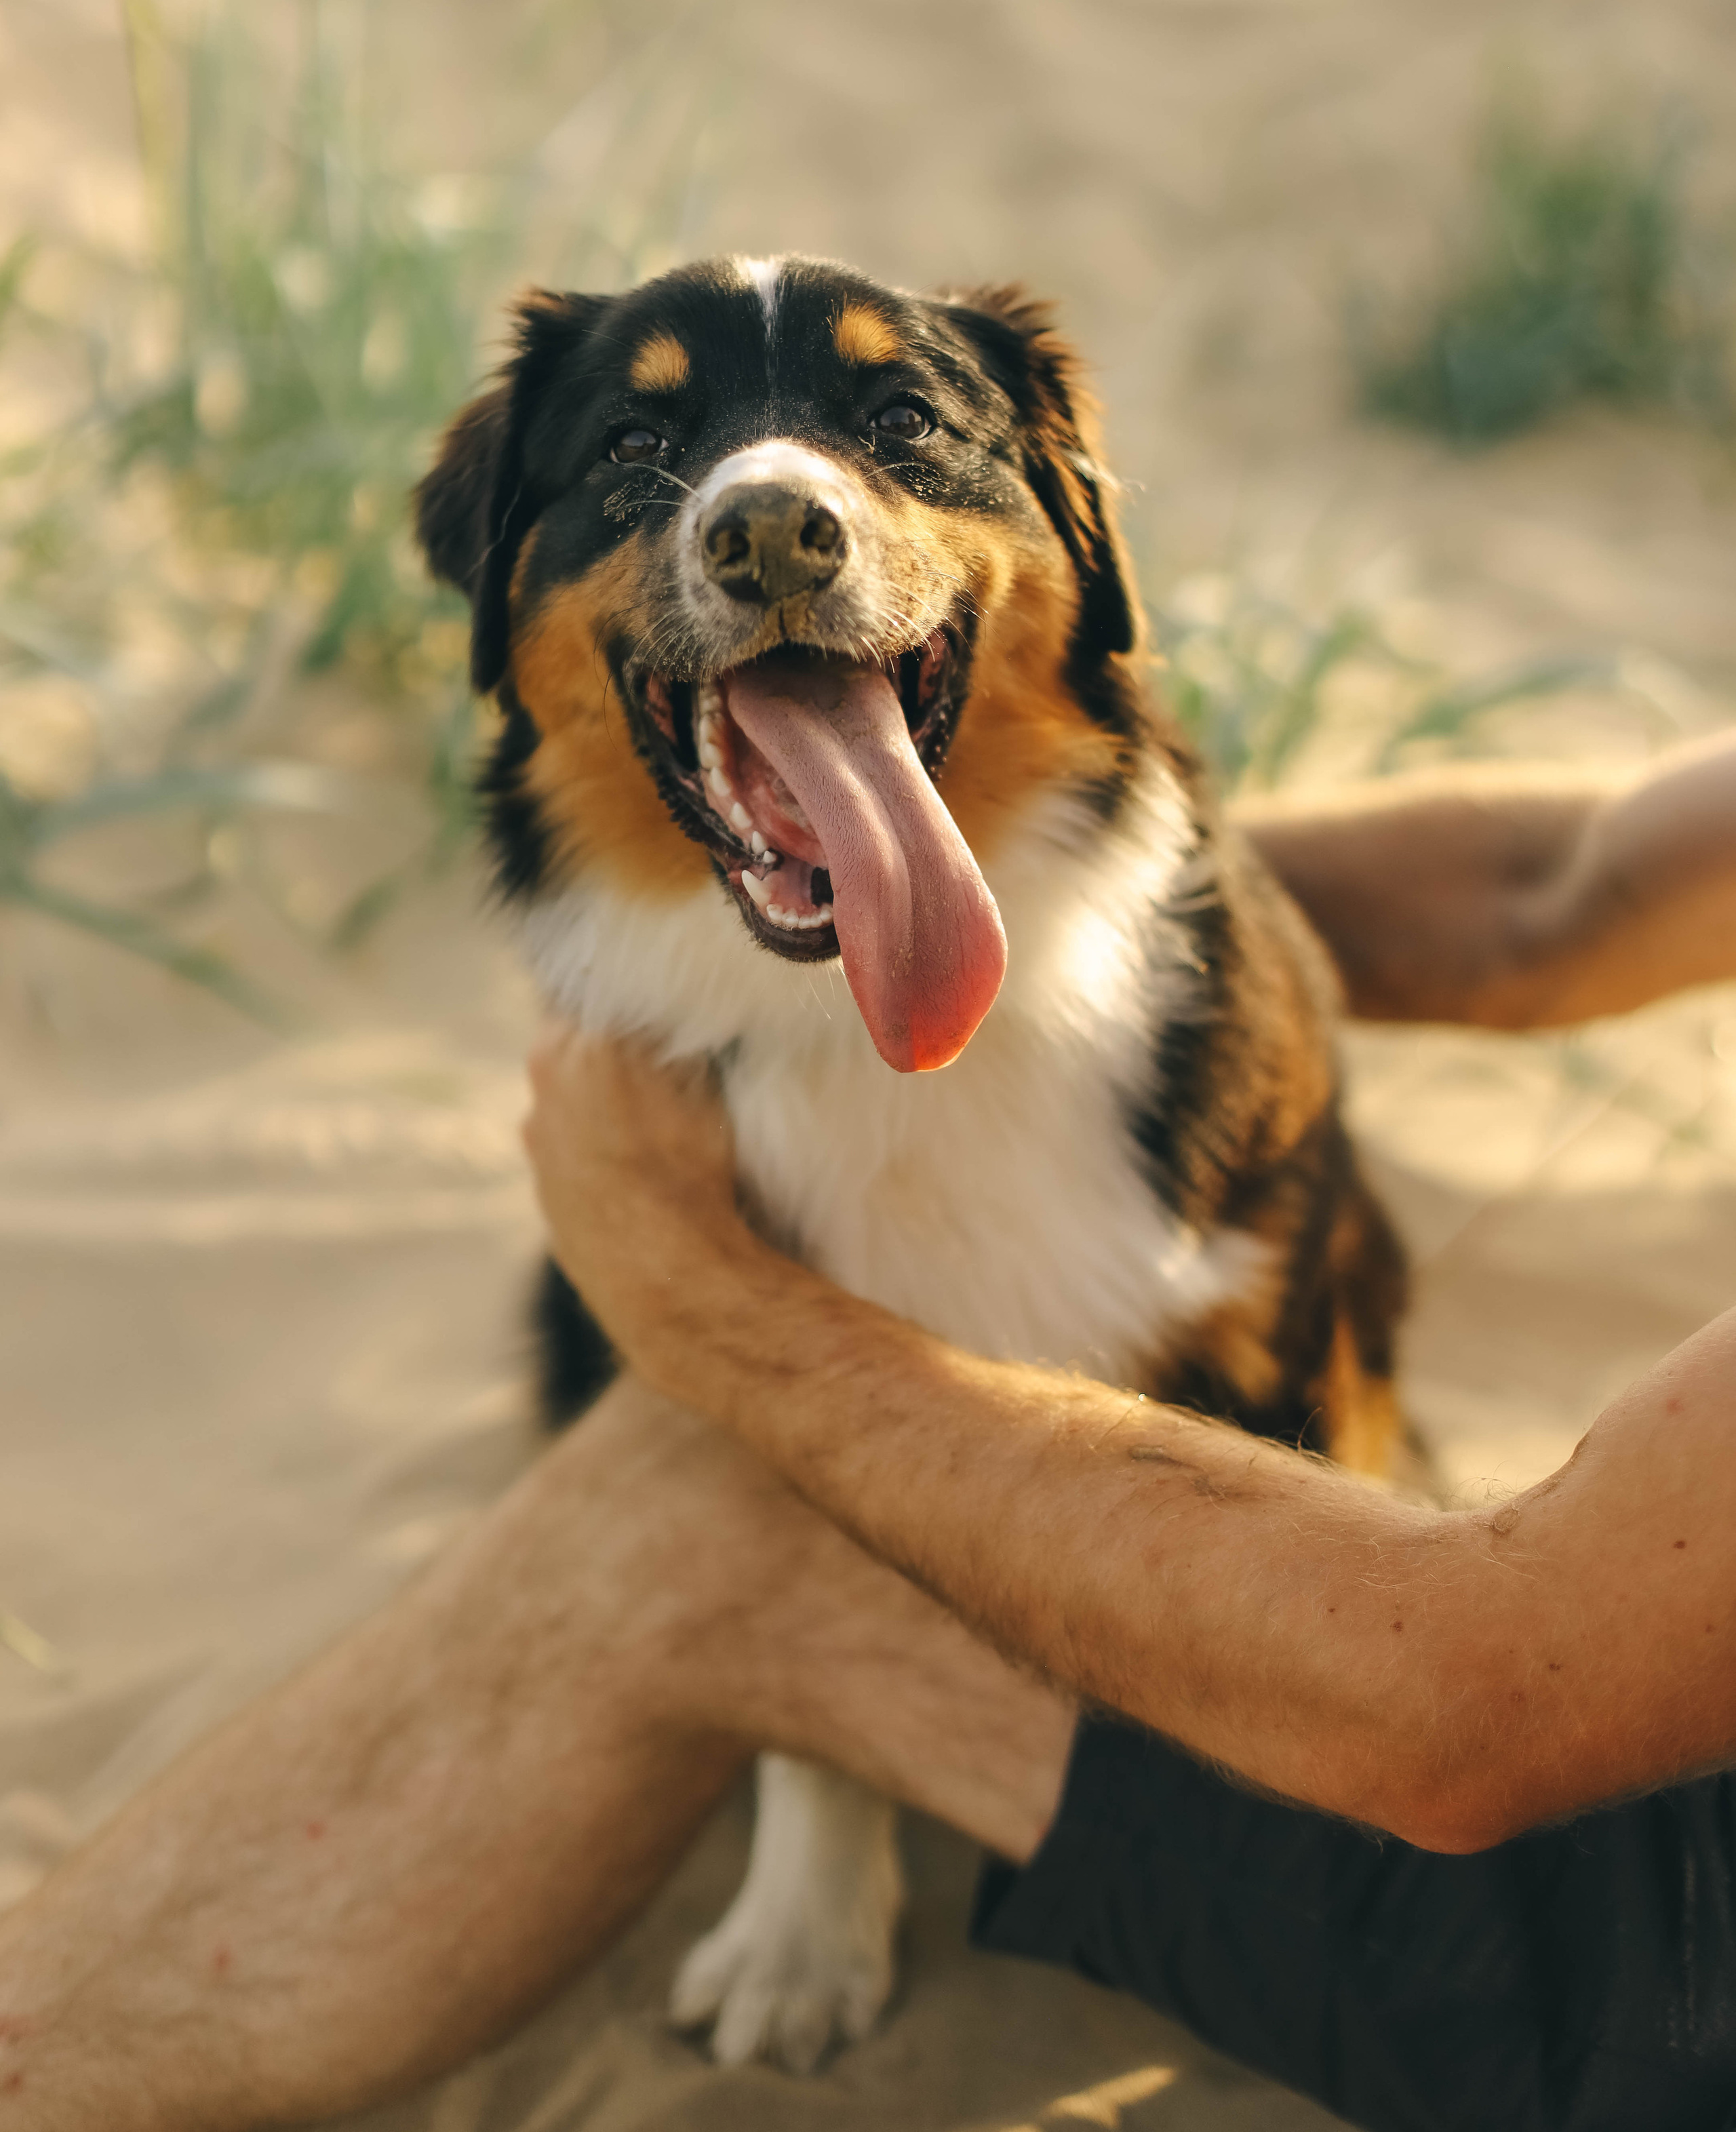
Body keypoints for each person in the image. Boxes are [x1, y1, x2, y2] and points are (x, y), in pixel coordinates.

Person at [5, 734, 1736, 2132]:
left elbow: (1466, 1702)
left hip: (1662, 1959)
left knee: (708, 1505)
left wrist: (700, 1307)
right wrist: (979, 874)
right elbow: (1550, 897)